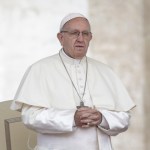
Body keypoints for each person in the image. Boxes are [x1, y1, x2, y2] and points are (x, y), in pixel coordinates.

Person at [11, 13, 135, 150]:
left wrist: (102, 118)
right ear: (61, 37)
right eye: (74, 33)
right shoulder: (39, 69)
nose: (80, 39)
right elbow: (30, 117)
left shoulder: (105, 71)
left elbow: (124, 118)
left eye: (85, 34)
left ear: (90, 38)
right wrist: (71, 118)